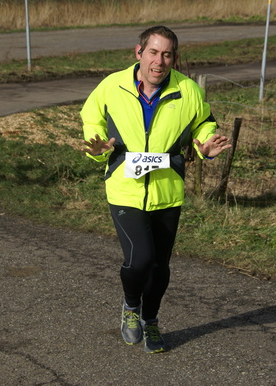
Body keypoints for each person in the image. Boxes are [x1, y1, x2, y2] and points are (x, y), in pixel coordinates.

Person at [80, 25, 231, 353]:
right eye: (153, 52)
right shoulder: (112, 85)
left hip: (167, 190)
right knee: (141, 259)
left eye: (166, 54)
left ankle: (151, 320)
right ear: (139, 53)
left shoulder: (188, 90)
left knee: (160, 266)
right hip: (124, 188)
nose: (159, 61)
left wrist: (205, 144)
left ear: (174, 58)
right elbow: (91, 116)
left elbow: (203, 122)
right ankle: (131, 306)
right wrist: (97, 146)